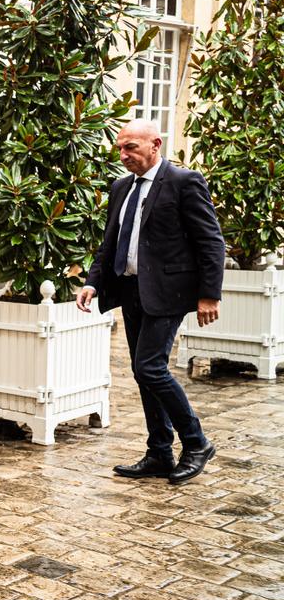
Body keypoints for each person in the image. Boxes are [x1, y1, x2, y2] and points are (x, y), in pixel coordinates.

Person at [78, 118, 224, 485]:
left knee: (150, 368)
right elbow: (110, 242)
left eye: (131, 147)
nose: (123, 154)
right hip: (131, 291)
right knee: (143, 374)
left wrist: (209, 294)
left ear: (155, 144)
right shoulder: (120, 187)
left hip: (168, 292)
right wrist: (93, 283)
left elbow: (211, 241)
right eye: (120, 148)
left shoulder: (183, 182)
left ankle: (196, 442)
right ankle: (159, 452)